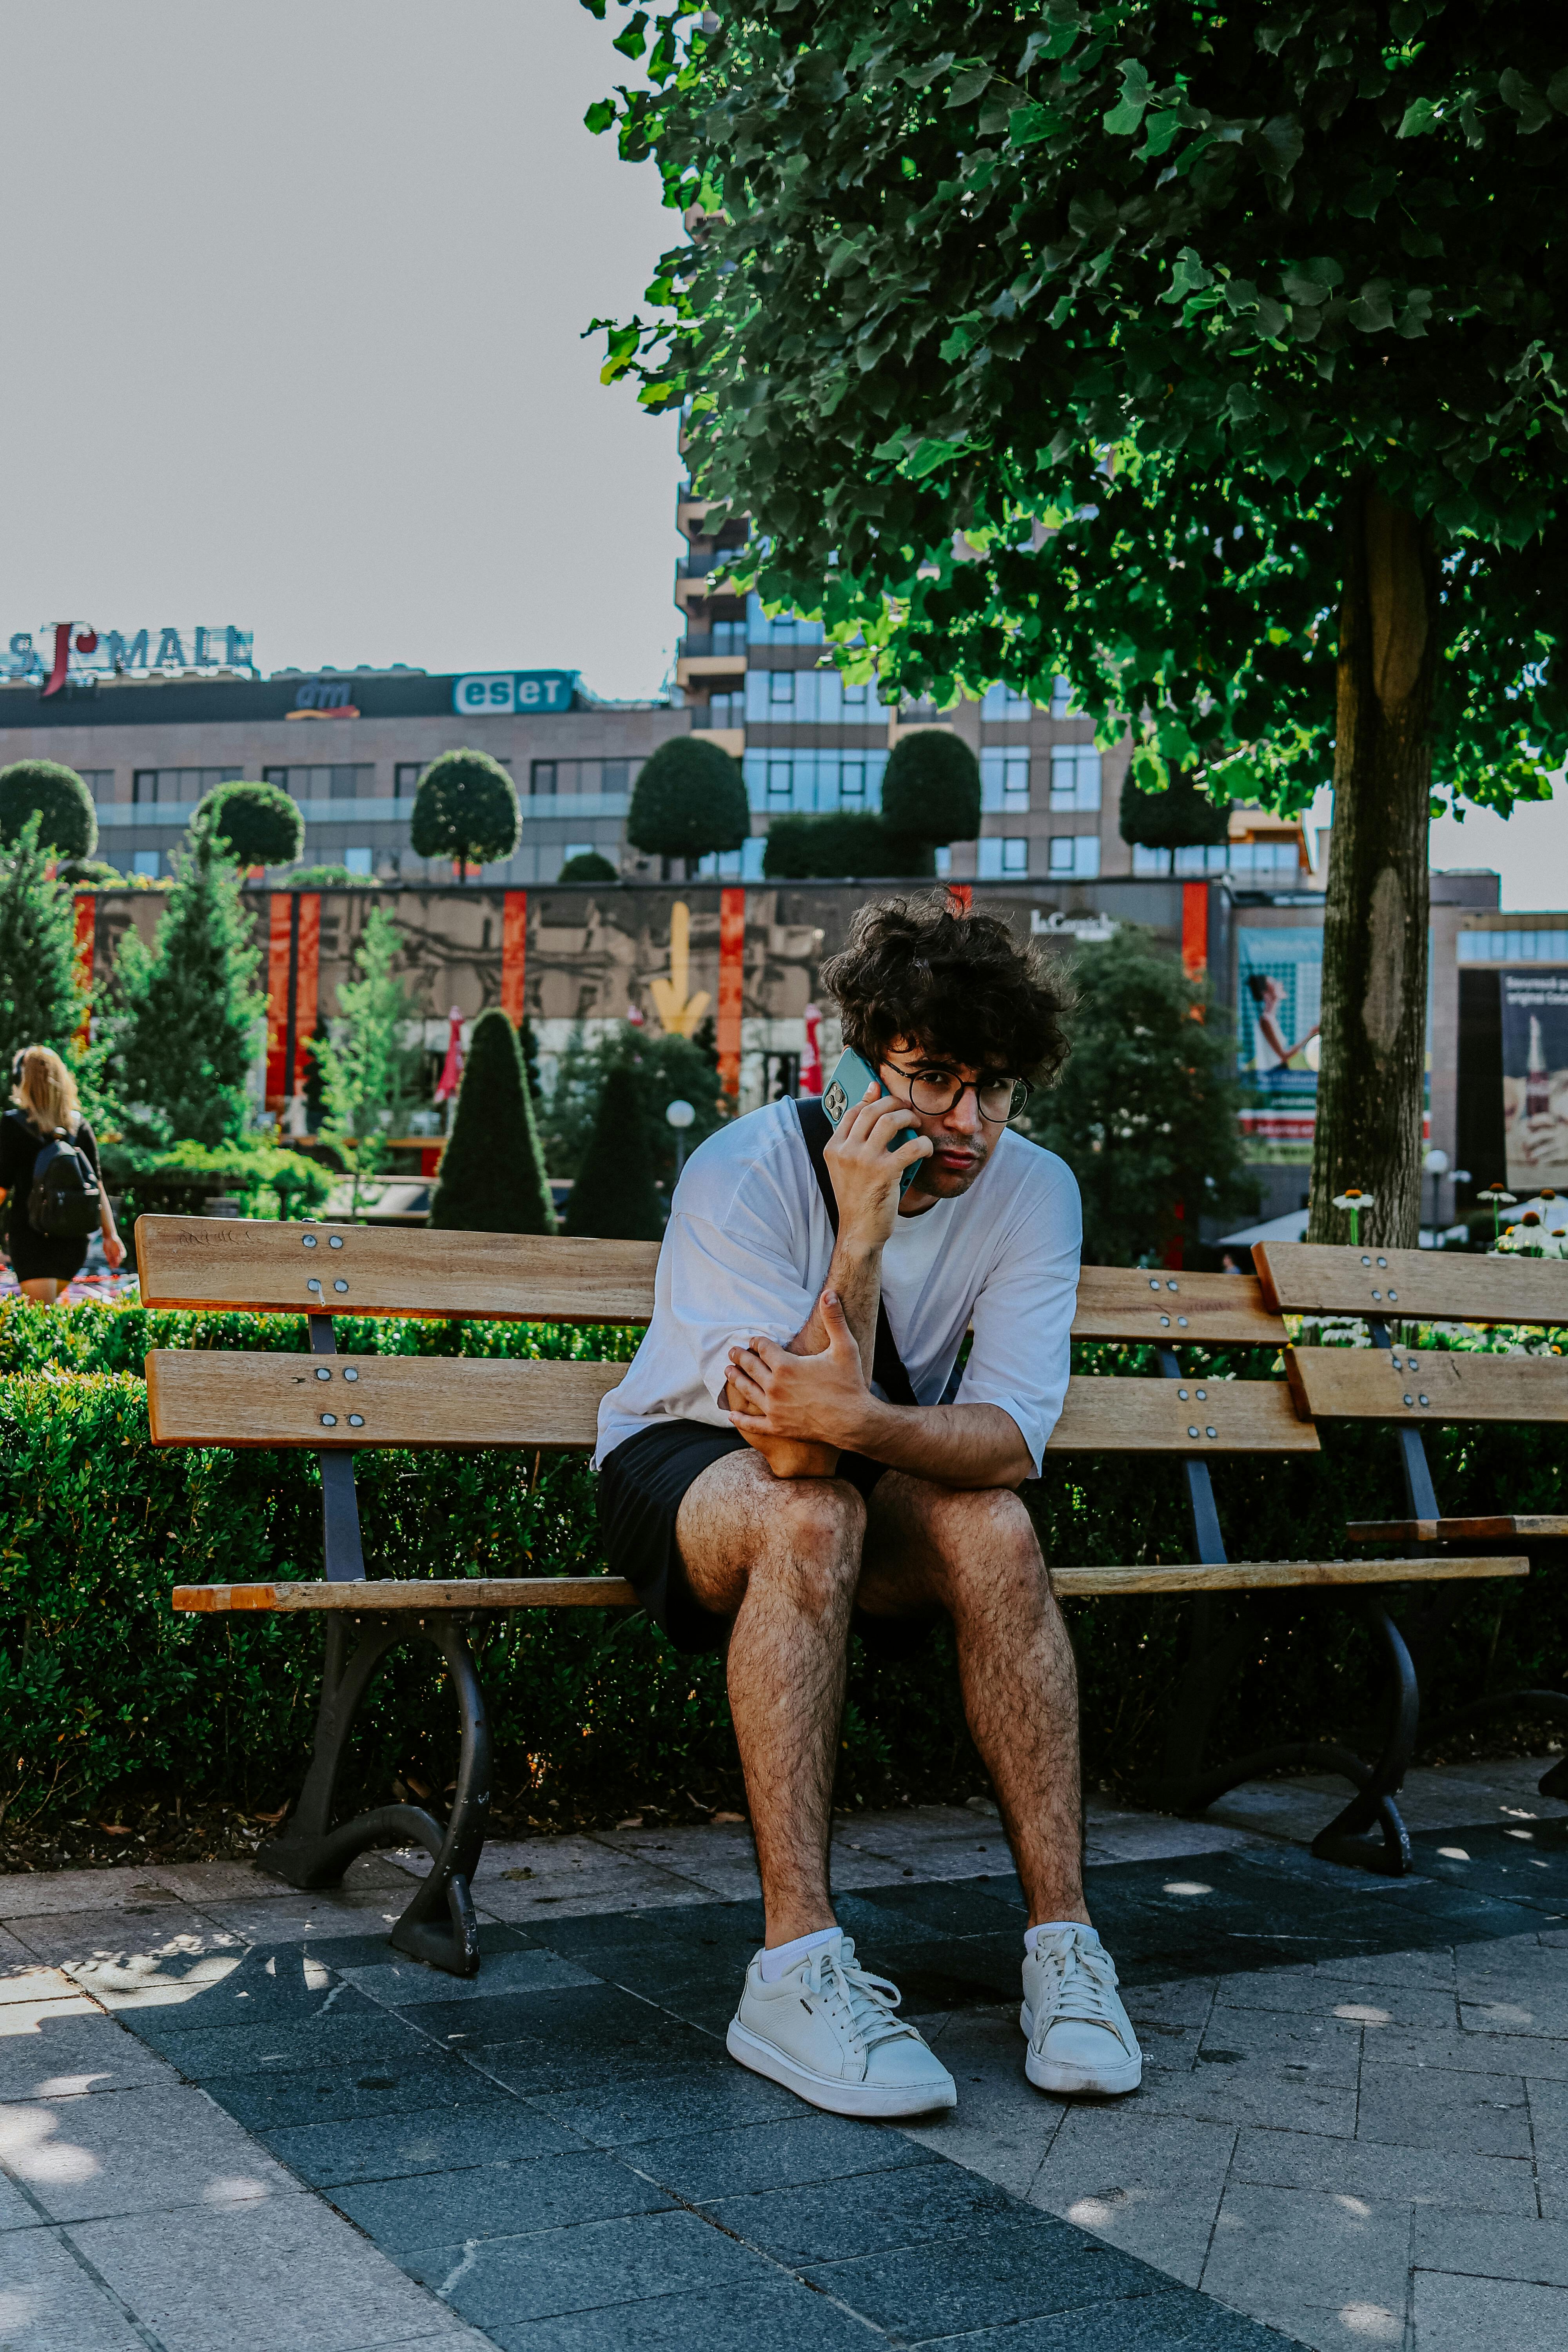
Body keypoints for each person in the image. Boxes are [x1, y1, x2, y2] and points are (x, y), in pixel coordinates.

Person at [595, 896, 1143, 2119]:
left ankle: (1064, 1946)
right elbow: (787, 1450)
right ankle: (793, 1968)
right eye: (934, 1078)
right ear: (855, 1064)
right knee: (811, 1518)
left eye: (995, 1087)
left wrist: (860, 1425)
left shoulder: (1034, 1191)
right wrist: (857, 1236)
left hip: (847, 1454)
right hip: (684, 1465)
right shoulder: (742, 1170)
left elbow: (1002, 1444)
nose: (968, 1122)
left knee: (993, 1528)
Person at [0, 1046, 123, 1305]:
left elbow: (1, 1189)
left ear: (23, 1081)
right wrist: (111, 1237)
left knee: (40, 1323)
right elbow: (97, 1187)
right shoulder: (79, 1127)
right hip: (73, 1240)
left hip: (32, 1237)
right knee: (49, 1311)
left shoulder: (13, 1126)